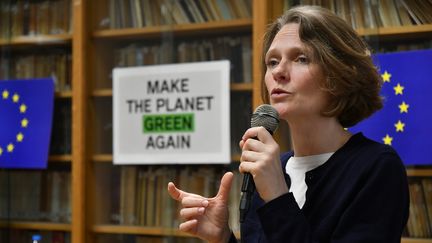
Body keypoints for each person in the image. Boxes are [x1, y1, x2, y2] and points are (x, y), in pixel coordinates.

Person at [167, 5, 409, 243]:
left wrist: (277, 195)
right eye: (272, 62)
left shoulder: (376, 167)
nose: (278, 72)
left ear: (338, 75)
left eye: (301, 59)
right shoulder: (272, 167)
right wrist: (222, 238)